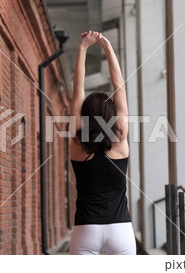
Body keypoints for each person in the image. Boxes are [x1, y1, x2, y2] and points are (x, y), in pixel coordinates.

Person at [68, 31, 136, 255]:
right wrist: (107, 46)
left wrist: (82, 48)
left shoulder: (78, 143)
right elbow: (120, 88)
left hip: (85, 228)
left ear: (84, 116)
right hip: (120, 230)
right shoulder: (119, 139)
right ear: (112, 116)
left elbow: (77, 92)